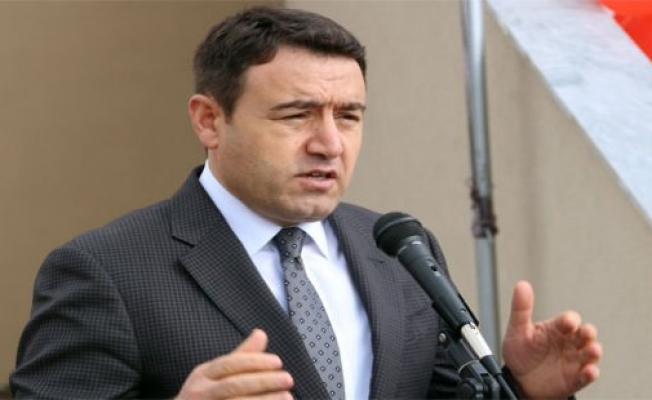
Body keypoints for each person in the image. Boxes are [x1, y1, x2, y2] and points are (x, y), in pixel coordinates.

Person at [11, 6, 602, 399]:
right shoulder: (105, 271)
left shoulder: (399, 250)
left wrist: (524, 391)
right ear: (209, 120)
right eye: (296, 115)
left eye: (348, 116)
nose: (329, 143)